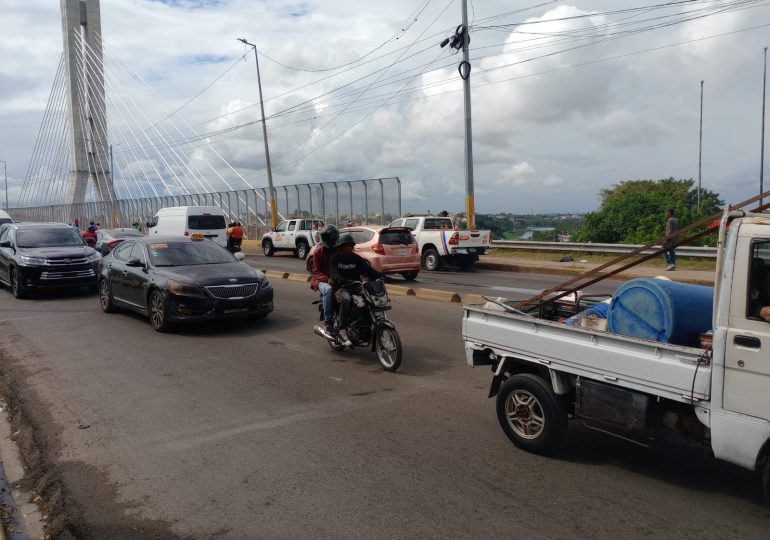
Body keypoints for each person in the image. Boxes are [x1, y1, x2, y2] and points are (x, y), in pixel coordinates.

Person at [329, 233, 382, 346]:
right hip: (341, 288)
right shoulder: (335, 259)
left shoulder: (355, 258)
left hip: (356, 286)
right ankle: (342, 330)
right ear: (340, 247)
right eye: (346, 246)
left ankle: (364, 328)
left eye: (350, 246)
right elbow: (334, 273)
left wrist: (380, 276)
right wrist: (341, 279)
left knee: (368, 299)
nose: (348, 248)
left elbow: (367, 270)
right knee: (346, 300)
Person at [311, 225, 339, 334]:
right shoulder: (318, 252)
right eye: (328, 237)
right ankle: (328, 322)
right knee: (328, 290)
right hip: (321, 280)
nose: (331, 239)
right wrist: (328, 279)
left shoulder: (339, 249)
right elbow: (316, 271)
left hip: (338, 279)